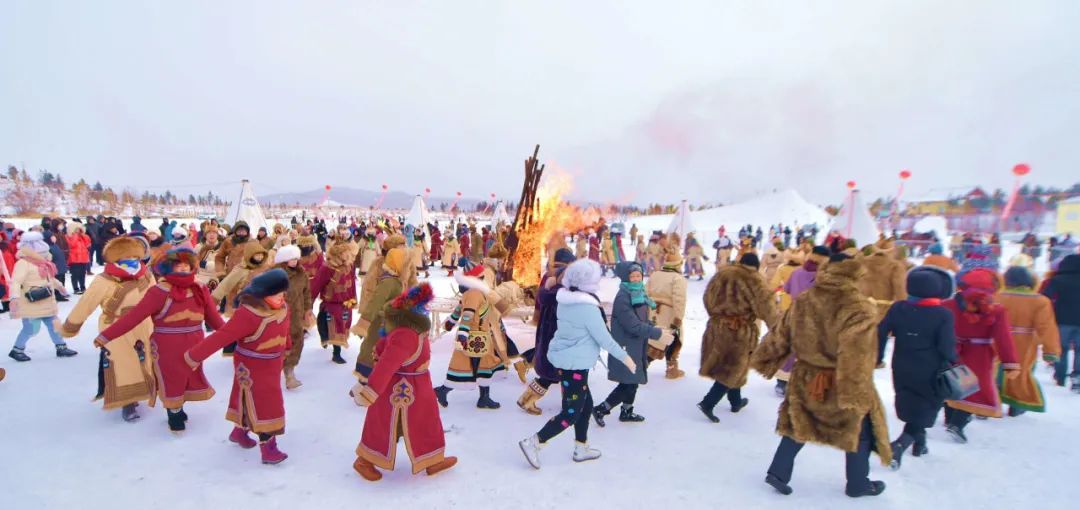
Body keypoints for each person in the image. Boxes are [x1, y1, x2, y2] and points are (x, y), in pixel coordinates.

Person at [750, 253, 892, 498]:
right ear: (855, 274)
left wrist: (765, 359)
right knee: (859, 429)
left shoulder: (806, 299)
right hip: (840, 379)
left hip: (806, 375)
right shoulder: (859, 307)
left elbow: (781, 334)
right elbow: (856, 354)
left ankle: (778, 473)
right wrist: (855, 393)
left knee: (798, 423)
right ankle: (858, 483)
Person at [518, 259, 636, 469]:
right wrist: (626, 358)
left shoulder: (565, 301)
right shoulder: (587, 308)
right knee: (571, 413)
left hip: (569, 361)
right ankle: (534, 442)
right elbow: (605, 339)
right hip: (575, 366)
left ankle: (581, 447)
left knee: (586, 405)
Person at [94, 248, 226, 432]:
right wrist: (106, 335)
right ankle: (174, 411)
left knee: (188, 376)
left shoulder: (200, 288)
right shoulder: (159, 291)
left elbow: (213, 317)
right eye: (178, 265)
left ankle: (178, 406)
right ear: (168, 268)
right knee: (172, 377)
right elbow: (134, 317)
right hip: (167, 343)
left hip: (195, 342)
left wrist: (233, 335)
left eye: (186, 265)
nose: (183, 268)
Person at [352, 283, 458, 481]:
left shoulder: (411, 330)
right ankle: (364, 460)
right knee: (385, 424)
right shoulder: (406, 334)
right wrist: (371, 390)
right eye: (424, 307)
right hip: (400, 391)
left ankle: (432, 460)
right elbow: (386, 364)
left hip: (417, 387)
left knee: (427, 422)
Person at [185, 269, 292, 465]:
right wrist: (194, 356)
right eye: (275, 293)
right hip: (252, 365)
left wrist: (287, 347)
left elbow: (285, 330)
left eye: (282, 293)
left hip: (273, 363)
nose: (280, 297)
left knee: (247, 397)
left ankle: (239, 432)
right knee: (267, 404)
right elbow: (223, 335)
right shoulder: (248, 314)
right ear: (263, 294)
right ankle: (268, 448)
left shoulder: (283, 307)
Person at [61, 236, 156, 422]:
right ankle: (127, 402)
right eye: (126, 257)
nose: (132, 261)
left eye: (134, 257)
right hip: (116, 327)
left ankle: (142, 391)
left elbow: (156, 298)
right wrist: (72, 325)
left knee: (145, 361)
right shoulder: (104, 280)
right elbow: (86, 303)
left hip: (144, 325)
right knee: (122, 364)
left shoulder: (146, 274)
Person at [876, 266, 956, 469]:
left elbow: (881, 332)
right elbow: (946, 347)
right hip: (931, 368)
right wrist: (953, 361)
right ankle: (899, 445)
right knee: (927, 406)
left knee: (911, 403)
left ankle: (920, 444)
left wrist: (878, 357)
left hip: (902, 364)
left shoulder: (898, 308)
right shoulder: (943, 314)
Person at [942, 268, 1020, 443]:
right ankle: (957, 423)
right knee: (974, 388)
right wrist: (1010, 363)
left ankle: (949, 418)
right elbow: (1003, 338)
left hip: (950, 349)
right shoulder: (997, 310)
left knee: (949, 380)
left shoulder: (948, 304)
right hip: (979, 354)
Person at [697, 253, 776, 422]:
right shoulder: (755, 280)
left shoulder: (722, 274)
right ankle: (708, 403)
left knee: (735, 365)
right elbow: (768, 309)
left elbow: (707, 298)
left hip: (716, 327)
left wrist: (718, 316)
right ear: (756, 267)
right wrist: (777, 329)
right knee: (733, 368)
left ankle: (736, 401)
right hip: (739, 331)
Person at [592, 261, 668, 426]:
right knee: (628, 382)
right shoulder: (623, 297)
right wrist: (657, 333)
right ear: (626, 278)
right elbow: (632, 325)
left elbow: (640, 320)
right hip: (626, 346)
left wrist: (653, 326)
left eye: (638, 275)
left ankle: (627, 411)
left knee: (633, 380)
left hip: (635, 344)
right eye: (632, 276)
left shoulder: (638, 293)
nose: (636, 279)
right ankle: (601, 409)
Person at [433, 260, 507, 409]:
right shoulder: (474, 293)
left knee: (480, 366)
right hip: (474, 338)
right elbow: (467, 314)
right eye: (481, 276)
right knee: (470, 367)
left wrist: (451, 322)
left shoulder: (474, 292)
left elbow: (459, 309)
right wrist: (463, 334)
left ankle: (483, 398)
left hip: (479, 336)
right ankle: (443, 390)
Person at [516, 248, 576, 415]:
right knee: (561, 373)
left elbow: (541, 300)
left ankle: (528, 399)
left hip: (548, 330)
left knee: (555, 373)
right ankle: (569, 404)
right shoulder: (563, 286)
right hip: (558, 334)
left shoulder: (550, 278)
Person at [998, 266, 1061, 414]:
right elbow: (1045, 327)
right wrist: (1050, 351)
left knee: (995, 370)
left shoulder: (996, 297)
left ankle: (991, 402)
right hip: (1025, 342)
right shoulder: (1040, 301)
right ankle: (1017, 404)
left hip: (997, 339)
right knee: (1021, 372)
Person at [7, 231, 78, 362]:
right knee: (31, 329)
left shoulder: (43, 263)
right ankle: (17, 350)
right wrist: (14, 297)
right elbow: (15, 282)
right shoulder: (23, 263)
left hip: (47, 301)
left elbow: (49, 279)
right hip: (31, 303)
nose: (44, 254)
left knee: (55, 325)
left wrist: (60, 287)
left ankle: (61, 347)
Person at [311, 238, 358, 364]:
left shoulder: (349, 265)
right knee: (335, 327)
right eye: (344, 253)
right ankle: (336, 353)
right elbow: (316, 284)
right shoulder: (327, 267)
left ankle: (327, 338)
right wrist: (309, 302)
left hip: (346, 302)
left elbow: (352, 283)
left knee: (344, 326)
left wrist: (354, 299)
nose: (347, 255)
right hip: (332, 303)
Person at [274, 245, 314, 390]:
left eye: (296, 258)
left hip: (296, 313)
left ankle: (289, 372)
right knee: (277, 342)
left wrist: (308, 308)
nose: (294, 261)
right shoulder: (274, 274)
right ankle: (272, 371)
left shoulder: (301, 273)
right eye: (291, 258)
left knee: (297, 340)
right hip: (277, 315)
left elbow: (306, 292)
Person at [1041, 254, 1080, 392]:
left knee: (1061, 349)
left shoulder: (1057, 280)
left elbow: (1045, 298)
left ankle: (1060, 376)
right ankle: (1077, 377)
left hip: (1062, 320)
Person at [647, 252, 688, 379]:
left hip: (653, 312)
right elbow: (679, 300)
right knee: (672, 340)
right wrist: (678, 318)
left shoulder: (655, 274)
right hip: (669, 315)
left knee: (653, 339)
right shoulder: (678, 278)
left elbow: (645, 292)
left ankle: (642, 367)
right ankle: (669, 370)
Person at [66, 223, 92, 295]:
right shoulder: (68, 236)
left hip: (83, 258)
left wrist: (83, 235)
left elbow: (88, 244)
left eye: (79, 229)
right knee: (75, 274)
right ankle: (75, 288)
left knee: (82, 274)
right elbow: (72, 245)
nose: (78, 230)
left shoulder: (83, 236)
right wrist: (75, 235)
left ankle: (83, 287)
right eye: (76, 229)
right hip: (74, 259)